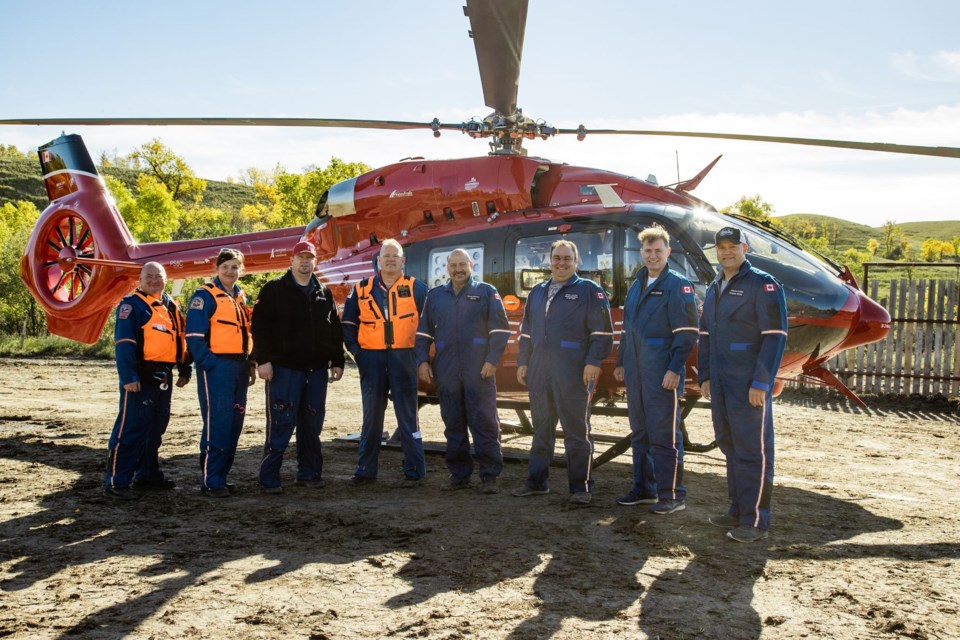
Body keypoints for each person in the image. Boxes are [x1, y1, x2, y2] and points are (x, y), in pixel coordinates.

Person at [698, 226, 787, 543]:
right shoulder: (714, 287)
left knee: (753, 451)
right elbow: (705, 334)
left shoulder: (763, 285)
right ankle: (736, 510)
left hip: (748, 380)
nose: (726, 252)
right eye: (720, 247)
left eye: (732, 246)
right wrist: (705, 375)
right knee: (729, 444)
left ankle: (755, 521)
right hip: (721, 381)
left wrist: (761, 382)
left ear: (745, 248)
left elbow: (774, 337)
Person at [512, 239, 614, 506]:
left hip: (574, 373)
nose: (561, 263)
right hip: (540, 372)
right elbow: (526, 332)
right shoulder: (537, 291)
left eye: (567, 258)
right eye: (557, 258)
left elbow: (603, 333)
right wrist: (523, 361)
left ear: (576, 261)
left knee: (577, 432)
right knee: (541, 429)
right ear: (549, 260)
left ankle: (580, 488)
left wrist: (593, 362)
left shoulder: (590, 291)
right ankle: (536, 482)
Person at [614, 226, 699, 514]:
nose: (653, 256)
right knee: (640, 432)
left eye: (658, 251)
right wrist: (621, 363)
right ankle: (644, 489)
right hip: (637, 372)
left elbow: (687, 333)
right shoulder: (637, 284)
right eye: (648, 251)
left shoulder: (677, 285)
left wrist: (675, 368)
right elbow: (628, 329)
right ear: (641, 252)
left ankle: (672, 495)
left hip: (663, 373)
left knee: (664, 435)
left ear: (668, 252)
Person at [415, 248, 511, 494]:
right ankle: (459, 475)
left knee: (485, 424)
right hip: (447, 372)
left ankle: (489, 476)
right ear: (447, 268)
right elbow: (423, 333)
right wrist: (422, 361)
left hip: (480, 371)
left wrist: (492, 360)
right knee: (453, 424)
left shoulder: (487, 292)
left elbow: (500, 331)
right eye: (453, 265)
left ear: (471, 265)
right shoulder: (435, 296)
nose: (458, 269)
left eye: (462, 264)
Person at [252, 241, 345, 494]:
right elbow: (259, 327)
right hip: (284, 369)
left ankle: (310, 473)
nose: (305, 262)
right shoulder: (274, 289)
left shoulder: (323, 292)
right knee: (281, 422)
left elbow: (334, 330)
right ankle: (269, 477)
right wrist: (263, 360)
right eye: (300, 257)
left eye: (309, 258)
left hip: (316, 371)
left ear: (315, 262)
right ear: (291, 261)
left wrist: (337, 360)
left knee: (312, 424)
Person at [341, 238, 429, 486]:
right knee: (371, 417)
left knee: (408, 416)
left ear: (403, 261)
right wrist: (358, 354)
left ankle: (415, 470)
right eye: (386, 255)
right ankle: (366, 470)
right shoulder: (361, 289)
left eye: (395, 256)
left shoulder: (416, 288)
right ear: (378, 260)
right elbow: (348, 324)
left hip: (404, 358)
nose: (390, 259)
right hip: (372, 359)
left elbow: (430, 324)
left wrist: (420, 356)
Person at [104, 262, 191, 499]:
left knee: (155, 430)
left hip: (164, 376)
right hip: (140, 379)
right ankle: (116, 482)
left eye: (159, 277)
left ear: (166, 279)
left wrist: (185, 370)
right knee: (130, 429)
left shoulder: (171, 306)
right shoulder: (131, 306)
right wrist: (129, 377)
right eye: (149, 277)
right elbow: (124, 344)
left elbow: (180, 340)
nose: (154, 281)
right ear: (140, 280)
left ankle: (147, 476)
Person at [186, 248, 256, 498]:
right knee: (218, 423)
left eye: (235, 267)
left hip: (239, 367)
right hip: (217, 368)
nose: (230, 271)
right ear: (217, 269)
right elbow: (193, 337)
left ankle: (222, 476)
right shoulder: (204, 296)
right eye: (226, 266)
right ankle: (211, 480)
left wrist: (250, 364)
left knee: (235, 424)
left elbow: (246, 334)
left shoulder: (240, 296)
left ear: (241, 270)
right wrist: (209, 363)